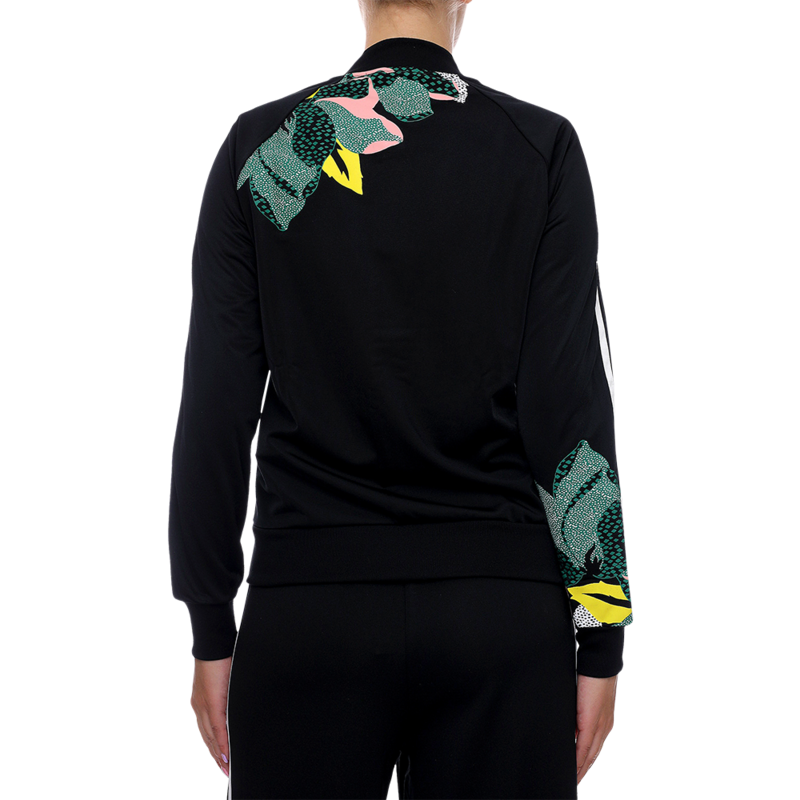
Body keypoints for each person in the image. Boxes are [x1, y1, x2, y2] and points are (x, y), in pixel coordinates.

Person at [167, 1, 634, 797]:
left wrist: (210, 623)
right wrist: (602, 636)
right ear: (464, 0)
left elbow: (215, 401)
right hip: (498, 617)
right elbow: (569, 403)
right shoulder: (541, 146)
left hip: (310, 611)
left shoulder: (265, 146)